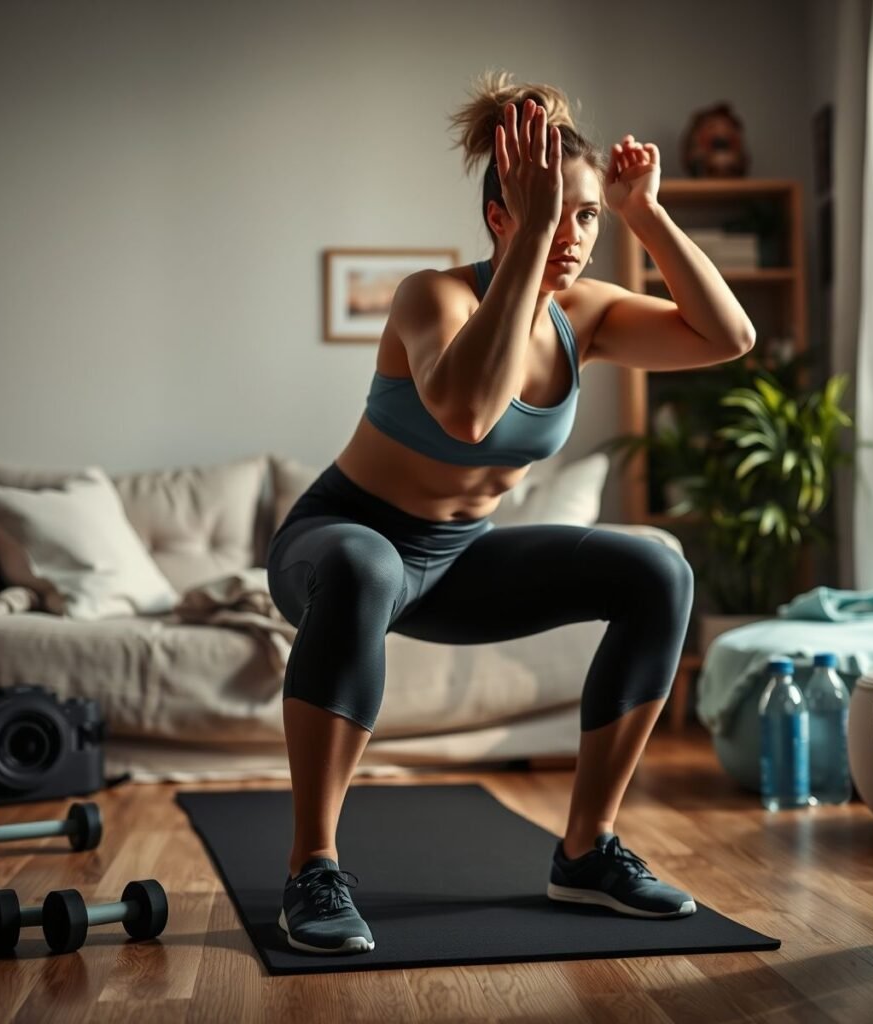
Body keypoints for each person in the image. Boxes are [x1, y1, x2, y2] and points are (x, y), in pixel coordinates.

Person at [267, 70, 756, 955]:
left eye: (585, 216)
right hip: (337, 544)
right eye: (546, 211)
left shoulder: (588, 317)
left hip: (457, 559)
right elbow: (467, 412)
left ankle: (586, 849)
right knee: (366, 564)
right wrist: (534, 240)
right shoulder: (434, 297)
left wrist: (643, 212)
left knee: (658, 566)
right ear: (500, 215)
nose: (571, 236)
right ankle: (312, 866)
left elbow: (729, 338)